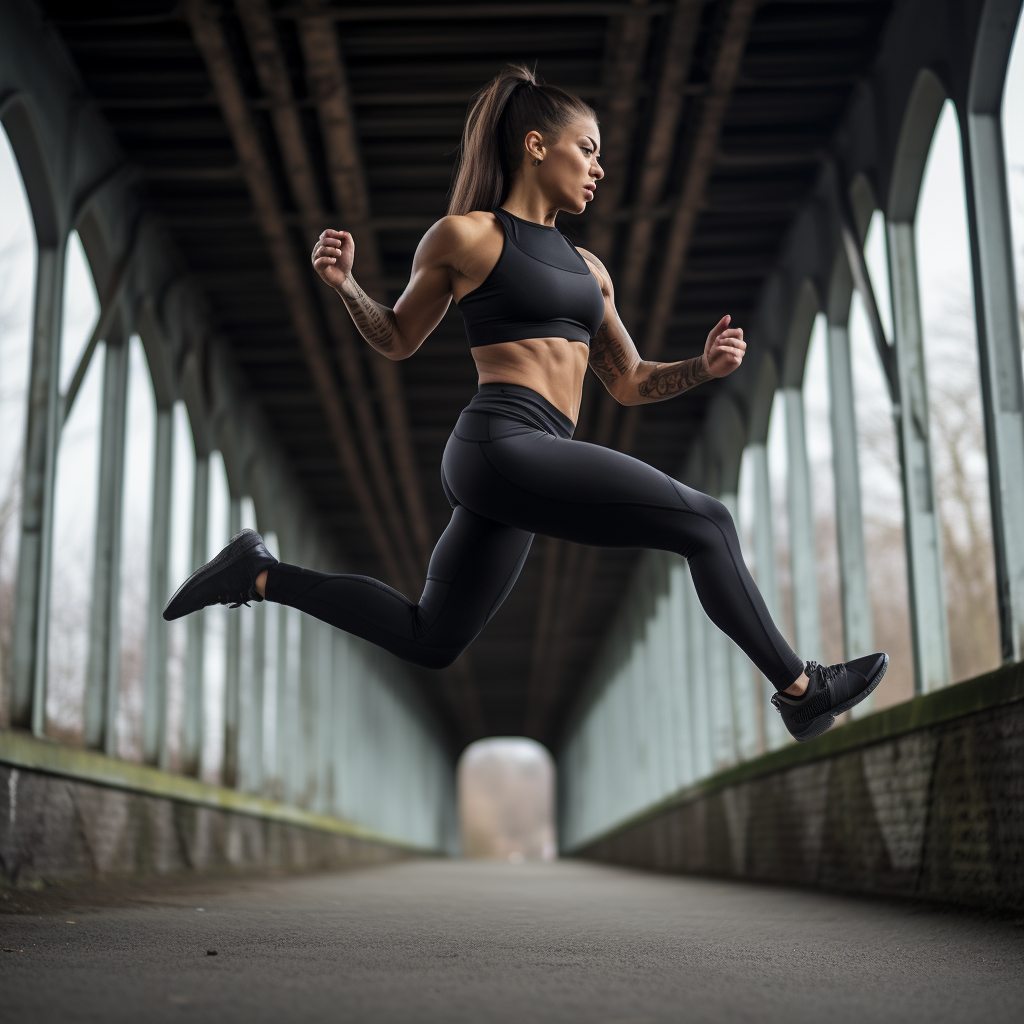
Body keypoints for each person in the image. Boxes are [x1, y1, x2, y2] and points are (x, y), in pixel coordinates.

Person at [164, 64, 887, 742]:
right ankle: (801, 689)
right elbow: (397, 338)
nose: (599, 168)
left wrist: (702, 365)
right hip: (499, 443)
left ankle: (256, 573)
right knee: (706, 522)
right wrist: (348, 286)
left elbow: (629, 380)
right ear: (537, 147)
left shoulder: (590, 272)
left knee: (431, 638)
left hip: (528, 462)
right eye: (588, 150)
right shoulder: (466, 237)